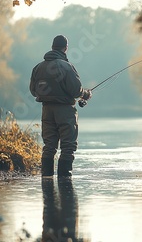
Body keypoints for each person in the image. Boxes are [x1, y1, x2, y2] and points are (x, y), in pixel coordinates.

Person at [30, 35, 92, 177]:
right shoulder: (67, 67)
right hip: (65, 111)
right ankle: (65, 181)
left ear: (52, 47)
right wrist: (86, 94)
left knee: (49, 146)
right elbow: (76, 91)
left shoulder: (38, 68)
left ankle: (47, 179)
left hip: (46, 110)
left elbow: (33, 91)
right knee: (68, 146)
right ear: (66, 48)